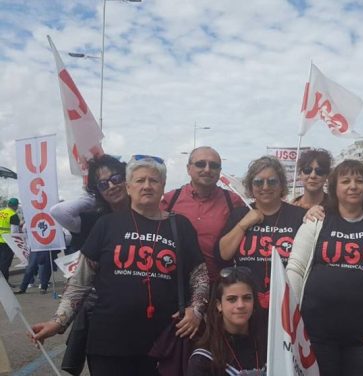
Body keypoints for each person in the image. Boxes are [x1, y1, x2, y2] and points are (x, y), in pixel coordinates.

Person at [31, 155, 210, 376]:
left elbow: (199, 275)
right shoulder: (106, 224)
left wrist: (197, 309)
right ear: (128, 187)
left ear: (163, 186)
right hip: (108, 343)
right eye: (139, 180)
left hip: (163, 343)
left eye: (153, 180)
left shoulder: (179, 225)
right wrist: (57, 322)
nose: (146, 186)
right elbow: (80, 281)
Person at [287, 160, 363, 376]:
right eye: (345, 181)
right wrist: (292, 322)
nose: (353, 186)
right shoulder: (315, 222)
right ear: (334, 188)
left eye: (359, 181)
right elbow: (295, 270)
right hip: (315, 335)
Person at [50, 154, 131, 375]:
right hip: (102, 312)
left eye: (116, 179)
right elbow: (59, 211)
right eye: (103, 184)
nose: (112, 186)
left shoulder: (146, 213)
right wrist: (94, 195)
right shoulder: (96, 221)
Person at [217, 156, 306, 330]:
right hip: (246, 306)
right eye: (258, 182)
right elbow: (224, 253)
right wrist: (244, 224)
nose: (265, 187)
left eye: (272, 181)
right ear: (251, 186)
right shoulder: (239, 214)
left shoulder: (298, 216)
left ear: (281, 185)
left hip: (286, 303)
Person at [161, 146, 244, 281]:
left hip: (219, 286)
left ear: (220, 171)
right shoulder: (170, 200)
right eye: (200, 164)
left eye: (214, 165)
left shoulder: (234, 201)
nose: (207, 169)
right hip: (178, 285)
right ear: (188, 169)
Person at [187, 266, 267, 375]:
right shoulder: (203, 359)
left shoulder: (269, 345)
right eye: (232, 299)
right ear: (219, 305)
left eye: (247, 298)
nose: (240, 305)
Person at [0, 198, 20, 286]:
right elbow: (14, 232)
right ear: (16, 206)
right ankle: (4, 284)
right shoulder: (13, 215)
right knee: (5, 263)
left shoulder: (1, 212)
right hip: (7, 242)